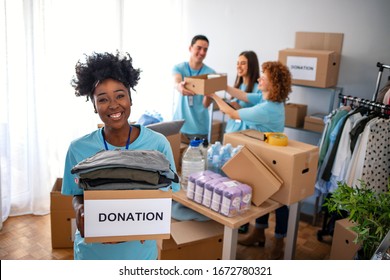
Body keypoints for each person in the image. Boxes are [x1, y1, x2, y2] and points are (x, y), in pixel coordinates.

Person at [61, 51, 180, 260]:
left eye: (120, 95)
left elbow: (167, 194)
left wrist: (146, 224)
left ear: (130, 99)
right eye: (103, 99)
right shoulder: (78, 148)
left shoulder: (158, 145)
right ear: (94, 105)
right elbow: (77, 193)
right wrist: (79, 208)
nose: (114, 105)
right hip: (93, 254)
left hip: (139, 255)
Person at [211, 61, 292, 260]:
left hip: (274, 159)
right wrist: (221, 86)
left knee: (279, 202)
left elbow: (231, 113)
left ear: (273, 84)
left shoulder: (268, 109)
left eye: (263, 77)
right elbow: (244, 95)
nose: (258, 79)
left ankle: (280, 242)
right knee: (262, 194)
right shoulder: (268, 100)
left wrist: (212, 95)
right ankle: (258, 233)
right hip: (265, 155)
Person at [172, 34, 216, 143]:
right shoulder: (179, 68)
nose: (202, 52)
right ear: (190, 48)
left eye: (205, 50)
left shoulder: (211, 73)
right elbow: (176, 82)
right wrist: (179, 86)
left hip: (199, 129)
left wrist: (209, 94)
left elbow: (206, 104)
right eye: (199, 48)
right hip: (179, 126)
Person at [225, 50, 261, 133]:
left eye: (243, 63)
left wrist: (239, 109)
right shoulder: (238, 86)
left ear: (252, 66)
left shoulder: (258, 89)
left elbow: (258, 117)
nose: (238, 66)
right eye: (238, 63)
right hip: (231, 130)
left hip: (245, 133)